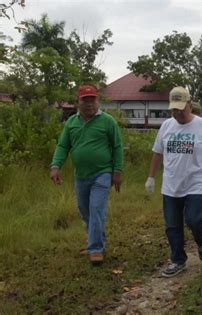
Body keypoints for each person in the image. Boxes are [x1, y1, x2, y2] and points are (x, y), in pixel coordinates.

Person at [145, 86, 202, 277]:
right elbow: (157, 152)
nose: (177, 112)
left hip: (194, 183)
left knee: (194, 220)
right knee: (172, 226)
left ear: (189, 103)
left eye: (180, 107)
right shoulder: (167, 126)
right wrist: (151, 177)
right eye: (173, 109)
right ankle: (178, 260)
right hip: (170, 185)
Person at [50, 84, 124, 265]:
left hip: (103, 173)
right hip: (81, 175)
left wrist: (117, 171)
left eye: (93, 100)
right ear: (78, 102)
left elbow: (117, 147)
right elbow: (63, 146)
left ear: (97, 101)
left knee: (96, 209)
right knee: (85, 211)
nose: (90, 104)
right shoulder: (71, 123)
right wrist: (55, 165)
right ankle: (97, 240)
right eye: (86, 100)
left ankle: (96, 249)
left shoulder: (108, 121)